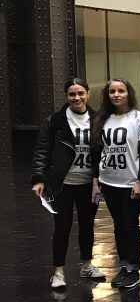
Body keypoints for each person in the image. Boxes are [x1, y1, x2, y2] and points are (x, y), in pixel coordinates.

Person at [31, 78, 104, 289]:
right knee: (61, 227)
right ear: (66, 96)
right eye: (72, 94)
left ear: (88, 94)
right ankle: (58, 272)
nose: (77, 98)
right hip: (62, 183)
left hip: (89, 184)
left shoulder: (98, 119)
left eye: (81, 93)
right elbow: (42, 151)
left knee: (87, 225)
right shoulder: (54, 121)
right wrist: (39, 179)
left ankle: (87, 265)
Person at [92, 79, 140, 291]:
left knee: (130, 224)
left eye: (121, 91)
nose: (116, 95)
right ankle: (124, 265)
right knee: (118, 225)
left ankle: (134, 269)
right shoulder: (103, 119)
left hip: (131, 181)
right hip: (109, 180)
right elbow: (97, 152)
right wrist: (96, 181)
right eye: (112, 91)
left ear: (129, 93)